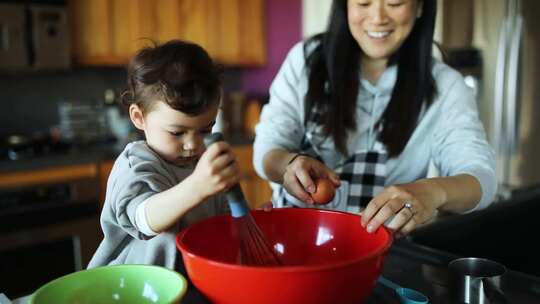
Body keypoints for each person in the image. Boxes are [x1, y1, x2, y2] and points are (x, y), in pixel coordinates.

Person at [253, 0, 496, 236]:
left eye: (395, 3)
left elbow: (481, 180)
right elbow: (267, 149)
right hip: (294, 239)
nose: (378, 18)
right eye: (363, 3)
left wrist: (433, 192)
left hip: (382, 256)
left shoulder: (445, 86)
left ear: (420, 5)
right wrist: (289, 164)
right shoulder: (306, 61)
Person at [88, 40, 240, 269]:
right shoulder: (136, 165)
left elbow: (225, 226)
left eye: (205, 129)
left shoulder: (206, 165)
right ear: (139, 118)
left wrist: (254, 219)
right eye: (177, 132)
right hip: (130, 288)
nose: (193, 144)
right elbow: (143, 221)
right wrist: (198, 186)